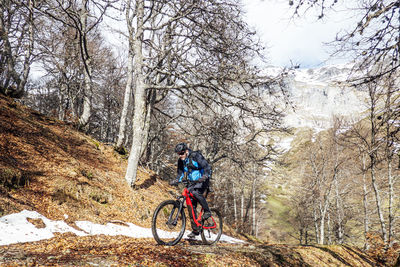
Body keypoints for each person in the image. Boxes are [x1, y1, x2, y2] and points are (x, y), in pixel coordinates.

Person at [169, 142, 212, 239]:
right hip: (191, 182)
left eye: (182, 153)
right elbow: (180, 174)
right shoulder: (181, 161)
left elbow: (207, 167)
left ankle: (207, 211)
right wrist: (176, 180)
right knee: (190, 204)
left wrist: (205, 176)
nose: (180, 155)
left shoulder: (195, 156)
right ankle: (195, 229)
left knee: (195, 192)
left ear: (186, 151)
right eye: (178, 154)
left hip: (202, 180)